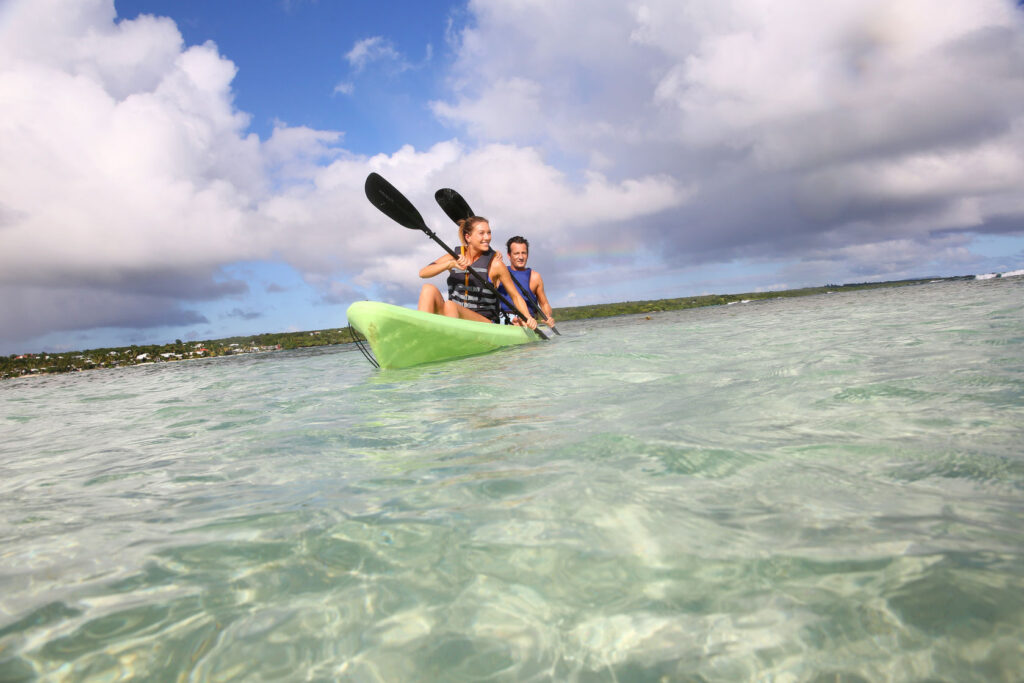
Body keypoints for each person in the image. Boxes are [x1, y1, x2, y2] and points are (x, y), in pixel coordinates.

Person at [418, 216, 537, 329]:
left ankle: (448, 341)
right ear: (468, 237)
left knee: (450, 305)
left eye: (489, 232)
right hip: (453, 315)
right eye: (482, 233)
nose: (487, 237)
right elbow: (423, 273)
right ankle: (421, 332)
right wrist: (450, 264)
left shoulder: (495, 264)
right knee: (428, 289)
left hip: (484, 322)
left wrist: (528, 317)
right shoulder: (454, 257)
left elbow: (515, 296)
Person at [498, 236, 555, 328]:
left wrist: (548, 316)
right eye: (516, 253)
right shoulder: (500, 272)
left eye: (523, 253)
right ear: (509, 255)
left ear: (527, 255)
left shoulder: (535, 277)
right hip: (503, 318)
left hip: (527, 321)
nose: (520, 257)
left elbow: (544, 303)